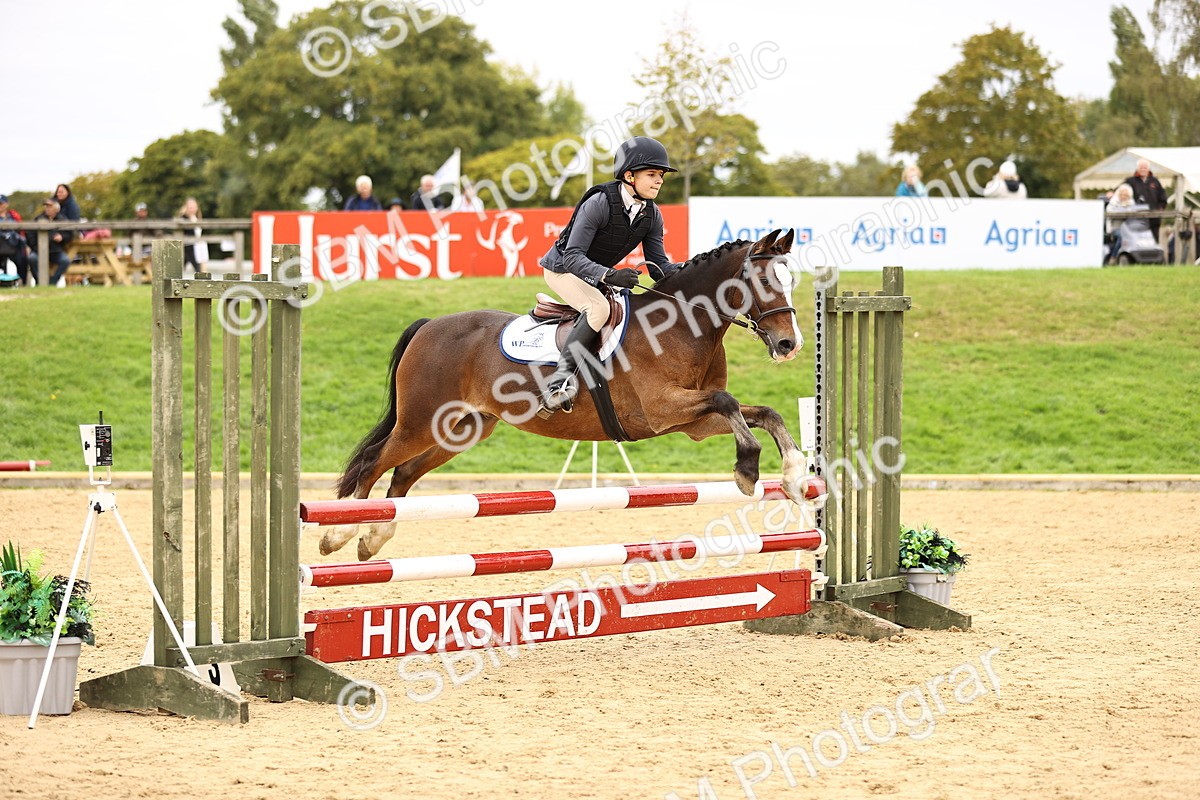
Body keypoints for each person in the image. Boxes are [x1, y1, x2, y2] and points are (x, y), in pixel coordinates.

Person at [536, 135, 682, 414]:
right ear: (629, 176)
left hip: (591, 274)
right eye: (652, 174)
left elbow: (658, 267)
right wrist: (609, 276)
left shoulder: (652, 214)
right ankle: (558, 382)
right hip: (562, 269)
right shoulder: (600, 202)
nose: (659, 181)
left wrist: (693, 269)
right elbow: (572, 256)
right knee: (598, 309)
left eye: (661, 175)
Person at [27, 199, 74, 286]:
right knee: (32, 259)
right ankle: (39, 282)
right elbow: (30, 235)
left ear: (56, 209)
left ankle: (52, 282)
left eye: (50, 206)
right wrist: (36, 247)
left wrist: (62, 237)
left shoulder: (62, 220)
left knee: (65, 261)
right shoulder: (38, 219)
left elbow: (70, 234)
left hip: (56, 251)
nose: (47, 208)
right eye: (46, 206)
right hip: (38, 251)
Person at [1125, 158, 1168, 241]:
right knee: (1139, 240)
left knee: (1154, 240)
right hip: (1136, 218)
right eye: (1141, 167)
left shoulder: (1155, 181)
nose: (1143, 169)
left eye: (1145, 167)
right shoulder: (1130, 181)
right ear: (1137, 168)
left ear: (1148, 169)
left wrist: (1159, 209)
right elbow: (1120, 191)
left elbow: (1163, 198)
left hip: (1154, 219)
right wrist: (1112, 193)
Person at [1104, 183, 1137, 264]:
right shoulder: (1113, 203)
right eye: (1122, 194)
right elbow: (1110, 215)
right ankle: (1113, 257)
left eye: (1126, 195)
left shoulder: (1132, 204)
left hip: (1129, 228)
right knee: (1122, 236)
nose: (1123, 197)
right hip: (1115, 227)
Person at [0, 195, 29, 286]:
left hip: (14, 246)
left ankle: (23, 283)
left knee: (22, 259)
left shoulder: (13, 216)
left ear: (6, 204)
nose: (0, 206)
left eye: (1, 203)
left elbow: (21, 231)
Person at [176, 197, 204, 273]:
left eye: (194, 207)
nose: (193, 209)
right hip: (187, 245)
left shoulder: (196, 218)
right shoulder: (183, 218)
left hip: (195, 245)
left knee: (180, 268)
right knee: (196, 267)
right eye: (191, 207)